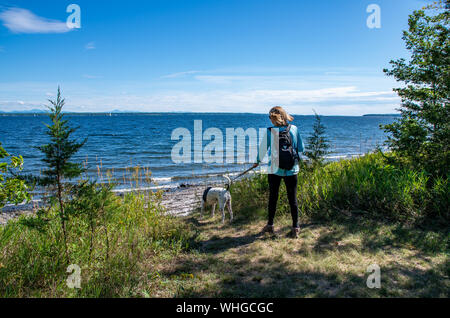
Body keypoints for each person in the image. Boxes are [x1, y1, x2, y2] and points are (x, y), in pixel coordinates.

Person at [252, 106, 304, 238]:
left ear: (274, 118)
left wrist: (257, 161)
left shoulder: (271, 132)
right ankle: (295, 227)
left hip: (274, 169)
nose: (269, 120)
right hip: (292, 169)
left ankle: (270, 225)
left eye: (270, 117)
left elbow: (263, 149)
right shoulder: (294, 129)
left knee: (273, 197)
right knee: (292, 199)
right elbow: (300, 148)